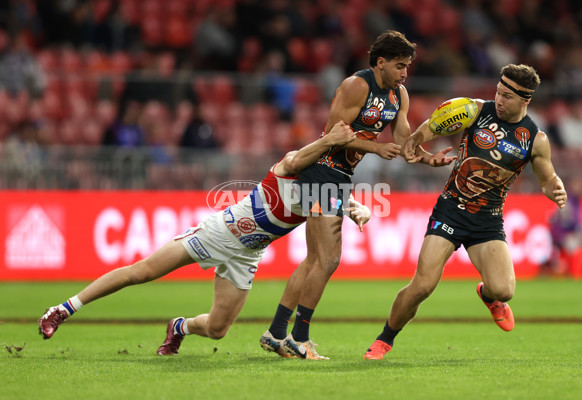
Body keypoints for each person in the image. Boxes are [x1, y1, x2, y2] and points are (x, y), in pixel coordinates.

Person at [38, 121, 371, 355]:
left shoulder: (326, 189)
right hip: (220, 233)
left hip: (249, 252)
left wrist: (357, 208)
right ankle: (64, 309)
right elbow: (295, 160)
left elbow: (335, 200)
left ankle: (179, 327)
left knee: (217, 329)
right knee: (142, 271)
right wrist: (328, 140)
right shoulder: (294, 164)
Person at [259, 30, 456, 360]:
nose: (405, 73)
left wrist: (425, 157)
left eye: (407, 66)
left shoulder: (399, 95)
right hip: (320, 169)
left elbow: (404, 142)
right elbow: (335, 136)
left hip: (338, 176)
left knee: (314, 259)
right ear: (381, 63)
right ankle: (299, 337)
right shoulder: (356, 85)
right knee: (329, 259)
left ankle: (276, 332)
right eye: (400, 66)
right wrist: (376, 148)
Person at [363, 64, 568, 360]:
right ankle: (384, 340)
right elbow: (432, 126)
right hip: (451, 210)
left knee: (504, 290)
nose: (499, 99)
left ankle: (487, 295)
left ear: (526, 101)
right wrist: (414, 144)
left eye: (507, 96)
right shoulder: (473, 110)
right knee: (422, 285)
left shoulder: (535, 139)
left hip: (488, 220)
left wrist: (554, 188)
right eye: (498, 92)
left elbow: (548, 178)